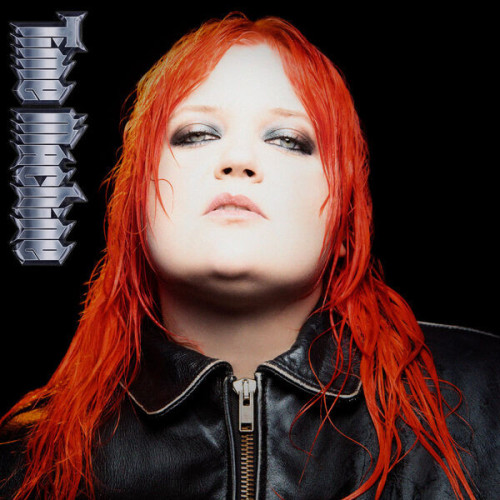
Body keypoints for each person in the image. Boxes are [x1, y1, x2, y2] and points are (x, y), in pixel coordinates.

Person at [1, 12, 498, 500]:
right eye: (196, 135)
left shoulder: (485, 395)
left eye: (288, 140)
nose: (237, 160)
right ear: (136, 206)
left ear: (345, 221)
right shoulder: (24, 461)